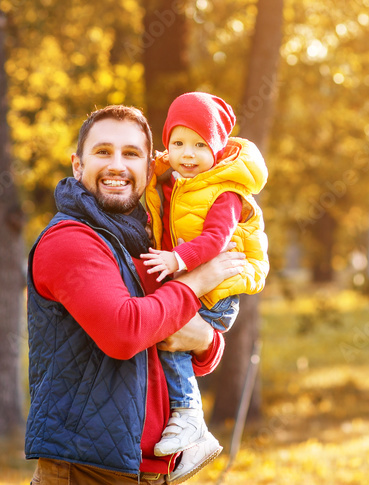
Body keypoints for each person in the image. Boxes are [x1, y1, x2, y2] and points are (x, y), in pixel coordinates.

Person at [25, 104, 246, 485]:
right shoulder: (71, 240)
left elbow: (171, 346)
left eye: (131, 154)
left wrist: (208, 340)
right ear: (77, 166)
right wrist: (196, 283)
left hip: (148, 469)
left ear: (149, 168)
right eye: (102, 152)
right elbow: (125, 333)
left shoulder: (143, 244)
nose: (116, 165)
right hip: (86, 469)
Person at [139, 92, 269, 475]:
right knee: (167, 347)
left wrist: (176, 260)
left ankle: (190, 419)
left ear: (217, 148)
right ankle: (191, 437)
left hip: (217, 293)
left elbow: (214, 240)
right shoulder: (176, 182)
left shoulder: (225, 190)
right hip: (199, 283)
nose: (188, 153)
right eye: (178, 143)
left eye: (199, 144)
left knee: (171, 338)